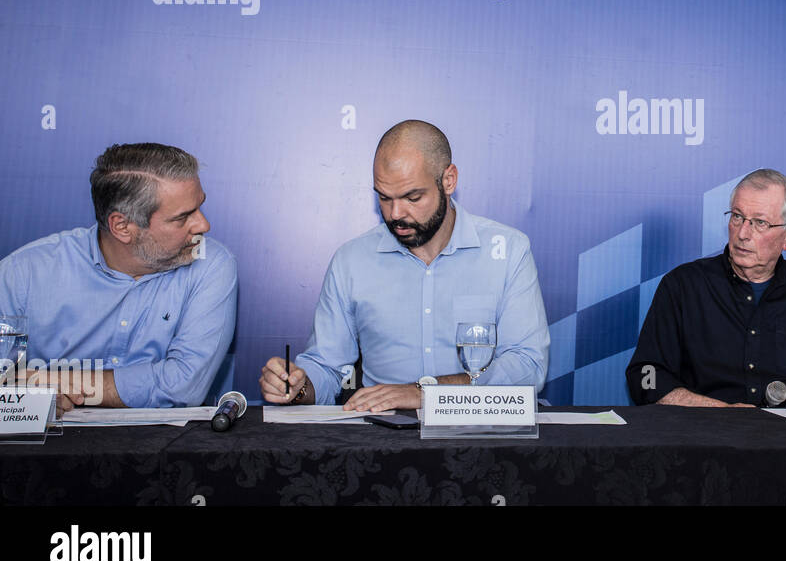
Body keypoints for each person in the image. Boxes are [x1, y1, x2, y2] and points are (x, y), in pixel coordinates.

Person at [261, 120, 548, 410]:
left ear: (448, 180)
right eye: (384, 198)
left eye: (413, 197)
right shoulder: (352, 260)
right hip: (382, 441)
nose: (396, 214)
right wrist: (298, 387)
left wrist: (426, 393)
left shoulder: (509, 250)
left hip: (483, 436)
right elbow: (327, 368)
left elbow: (527, 367)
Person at [0, 143, 237, 413]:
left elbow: (183, 386)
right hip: (45, 452)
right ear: (122, 227)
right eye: (182, 217)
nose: (204, 225)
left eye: (199, 207)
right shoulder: (22, 274)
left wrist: (57, 381)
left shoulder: (211, 263)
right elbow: (2, 382)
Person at [626, 168, 786, 408]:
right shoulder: (683, 286)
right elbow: (646, 377)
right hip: (704, 438)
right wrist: (720, 412)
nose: (742, 233)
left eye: (760, 223)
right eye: (737, 216)